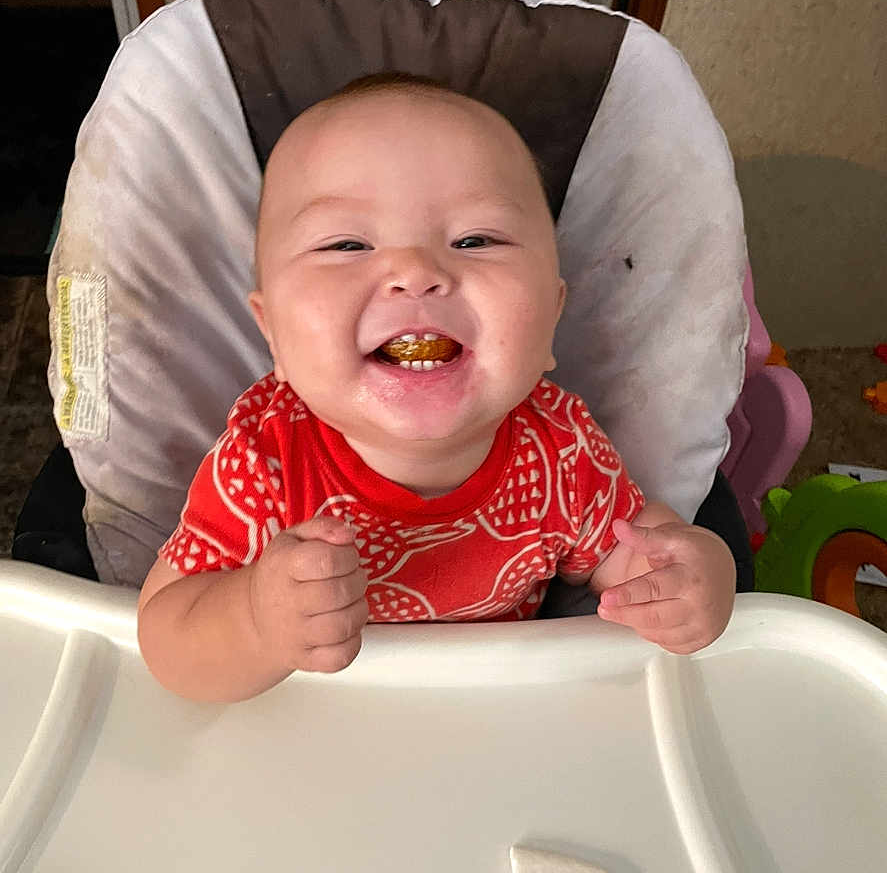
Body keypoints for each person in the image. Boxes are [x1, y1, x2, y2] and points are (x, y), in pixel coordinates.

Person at [137, 73, 736, 703]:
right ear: (274, 337)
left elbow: (645, 557)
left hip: (497, 733)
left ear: (552, 317)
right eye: (347, 243)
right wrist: (255, 622)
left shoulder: (560, 450)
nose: (416, 273)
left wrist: (696, 579)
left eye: (475, 240)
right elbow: (165, 642)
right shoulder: (266, 465)